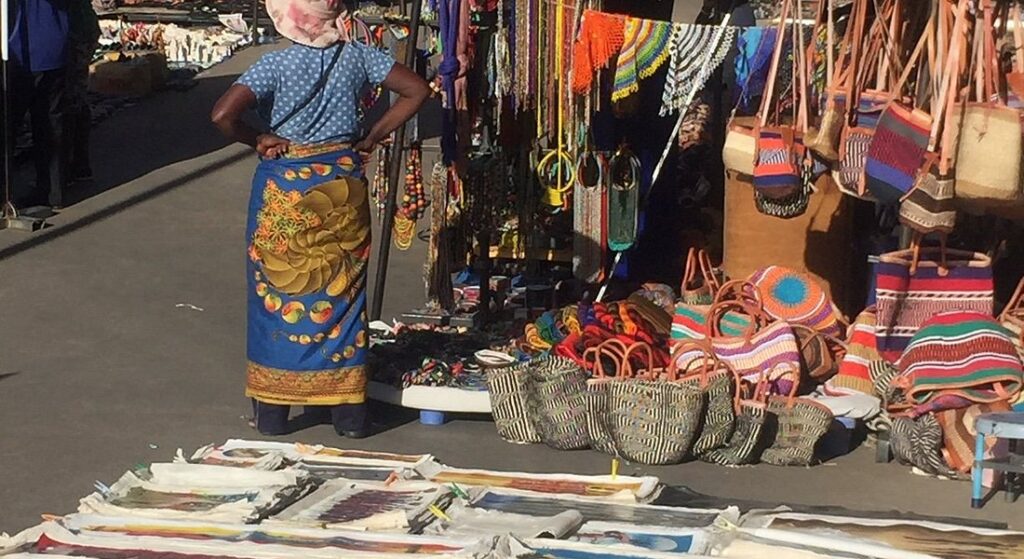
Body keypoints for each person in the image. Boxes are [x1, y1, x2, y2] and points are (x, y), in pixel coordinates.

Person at [211, 0, 430, 438]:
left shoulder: (273, 65)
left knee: (276, 294)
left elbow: (221, 115)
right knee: (341, 295)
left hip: (284, 192)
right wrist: (371, 137)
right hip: (342, 185)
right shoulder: (359, 56)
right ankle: (348, 417)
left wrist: (258, 137)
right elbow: (417, 90)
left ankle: (272, 415)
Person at [5, 0, 69, 209]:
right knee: (49, 124)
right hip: (49, 45)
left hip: (21, 52)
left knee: (9, 125)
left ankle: (10, 193)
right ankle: (52, 191)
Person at [66, 0, 101, 183]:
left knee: (70, 99)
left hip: (75, 32)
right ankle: (78, 163)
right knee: (76, 96)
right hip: (82, 28)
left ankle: (74, 164)